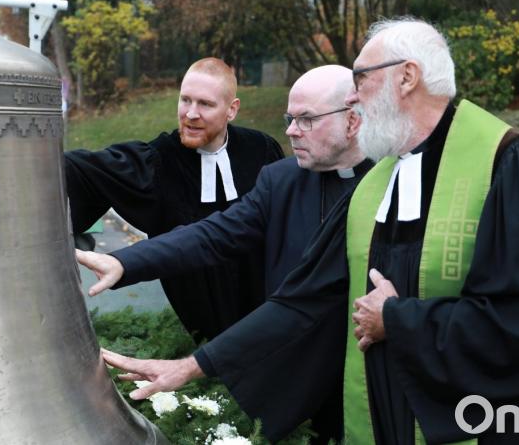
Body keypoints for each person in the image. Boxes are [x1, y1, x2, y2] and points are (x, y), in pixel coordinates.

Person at [103, 17, 519, 444]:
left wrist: (399, 319)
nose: (356, 95)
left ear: (407, 77)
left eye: (362, 78)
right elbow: (300, 300)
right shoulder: (378, 182)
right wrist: (188, 367)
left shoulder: (508, 164)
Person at [77, 65, 373, 444]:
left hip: (370, 381)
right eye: (290, 118)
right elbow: (214, 234)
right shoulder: (281, 179)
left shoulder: (395, 182)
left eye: (306, 120)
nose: (291, 130)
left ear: (352, 121)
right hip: (299, 384)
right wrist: (124, 261)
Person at [64, 57, 284, 343]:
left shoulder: (262, 150)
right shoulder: (159, 161)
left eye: (205, 104)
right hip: (203, 330)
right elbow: (85, 172)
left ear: (232, 109)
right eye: (185, 100)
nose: (191, 114)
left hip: (269, 317)